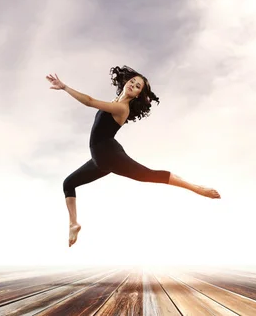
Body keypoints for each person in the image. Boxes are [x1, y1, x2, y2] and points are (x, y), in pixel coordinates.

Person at [46, 66, 220, 247]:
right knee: (68, 183)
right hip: (100, 159)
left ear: (138, 94)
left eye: (138, 87)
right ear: (125, 81)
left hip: (110, 155)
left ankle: (198, 188)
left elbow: (89, 101)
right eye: (133, 82)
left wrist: (64, 87)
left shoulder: (121, 108)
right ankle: (73, 224)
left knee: (150, 175)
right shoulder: (115, 101)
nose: (133, 85)